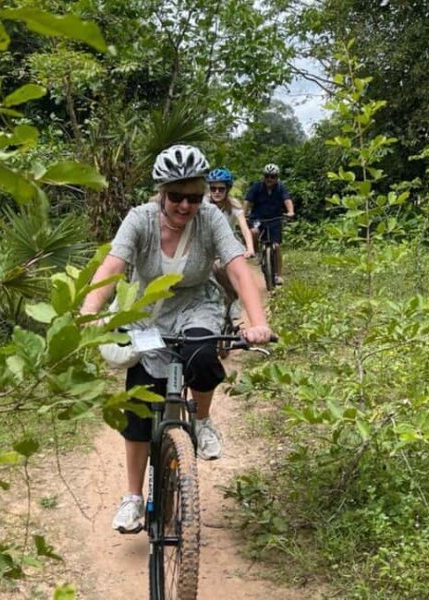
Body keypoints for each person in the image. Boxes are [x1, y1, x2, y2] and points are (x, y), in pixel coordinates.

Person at [79, 145, 273, 534]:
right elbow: (112, 267)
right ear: (161, 193)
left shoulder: (210, 220)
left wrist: (257, 322)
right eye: (176, 196)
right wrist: (89, 313)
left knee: (202, 354)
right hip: (148, 312)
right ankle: (133, 498)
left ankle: (201, 421)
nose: (186, 205)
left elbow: (238, 269)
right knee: (139, 403)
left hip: (197, 306)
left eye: (195, 197)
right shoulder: (140, 220)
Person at [206, 168, 256, 316]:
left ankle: (234, 300)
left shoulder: (234, 206)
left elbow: (244, 229)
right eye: (213, 188)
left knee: (224, 270)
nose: (216, 192)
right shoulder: (203, 203)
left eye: (221, 189)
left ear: (227, 189)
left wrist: (250, 248)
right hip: (207, 244)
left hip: (228, 244)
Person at [244, 163, 295, 285]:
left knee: (276, 246)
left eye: (272, 177)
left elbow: (287, 200)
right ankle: (256, 253)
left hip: (275, 219)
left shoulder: (281, 188)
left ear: (277, 177)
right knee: (254, 232)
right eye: (267, 176)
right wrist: (243, 214)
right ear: (264, 177)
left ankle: (278, 275)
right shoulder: (256, 187)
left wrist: (290, 211)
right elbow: (248, 202)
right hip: (257, 219)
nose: (269, 179)